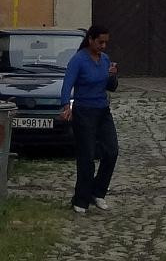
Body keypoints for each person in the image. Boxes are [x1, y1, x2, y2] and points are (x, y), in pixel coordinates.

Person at [59, 23, 119, 214]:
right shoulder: (78, 60)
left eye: (106, 43)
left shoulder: (105, 59)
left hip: (103, 111)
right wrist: (66, 106)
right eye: (100, 42)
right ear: (90, 40)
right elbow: (67, 84)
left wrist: (113, 76)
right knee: (87, 156)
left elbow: (111, 87)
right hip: (84, 112)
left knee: (111, 151)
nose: (103, 46)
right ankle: (81, 199)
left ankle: (97, 192)